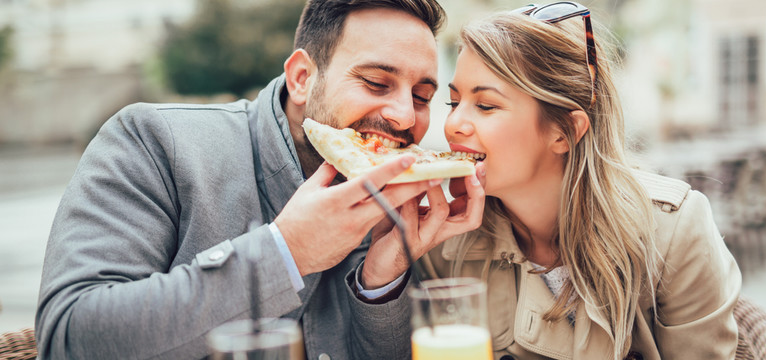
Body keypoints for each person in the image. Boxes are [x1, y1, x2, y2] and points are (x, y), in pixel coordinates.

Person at [35, 0, 485, 359]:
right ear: (303, 78)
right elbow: (70, 337)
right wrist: (287, 252)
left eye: (423, 96)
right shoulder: (153, 141)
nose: (405, 116)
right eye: (375, 82)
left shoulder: (406, 199)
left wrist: (380, 284)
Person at [421, 2, 741, 359]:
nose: (453, 125)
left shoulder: (674, 234)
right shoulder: (445, 243)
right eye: (453, 102)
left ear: (564, 132)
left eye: (486, 105)